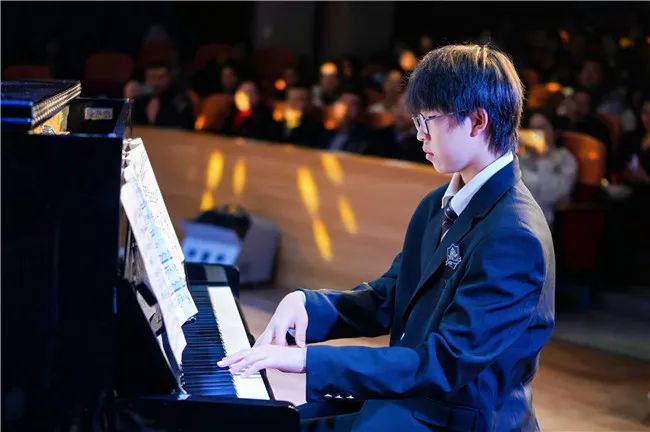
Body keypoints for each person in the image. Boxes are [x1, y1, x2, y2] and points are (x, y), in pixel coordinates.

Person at [219, 44, 555, 432]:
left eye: (428, 120)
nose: (420, 135)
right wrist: (310, 305)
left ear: (477, 121)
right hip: (413, 403)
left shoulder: (514, 236)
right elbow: (390, 296)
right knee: (269, 422)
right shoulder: (437, 204)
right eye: (417, 121)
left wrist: (307, 361)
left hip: (458, 420)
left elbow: (445, 362)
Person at [519, 110, 578, 226]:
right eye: (532, 128)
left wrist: (543, 158)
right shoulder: (523, 158)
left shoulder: (566, 159)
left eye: (542, 128)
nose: (536, 133)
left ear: (554, 131)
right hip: (517, 217)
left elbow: (550, 195)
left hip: (544, 222)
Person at [131, 62, 194, 130]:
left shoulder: (179, 100)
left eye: (161, 77)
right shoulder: (140, 99)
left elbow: (182, 126)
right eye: (152, 77)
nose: (156, 82)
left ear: (169, 78)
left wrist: (154, 119)